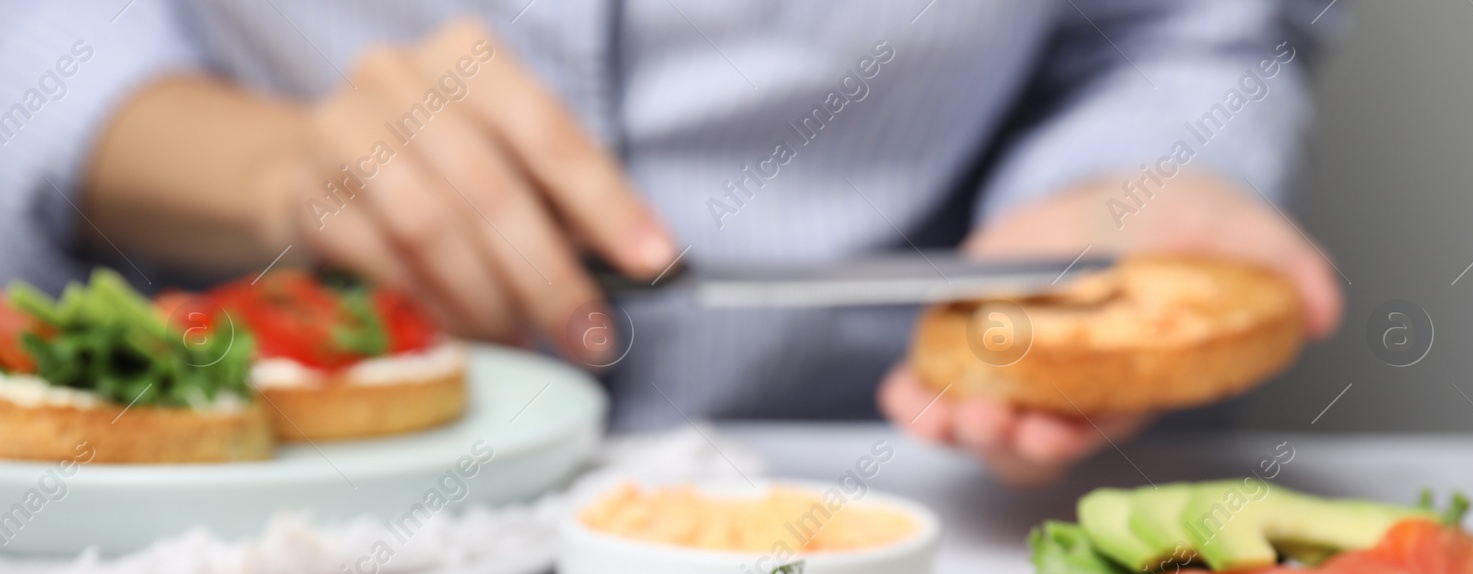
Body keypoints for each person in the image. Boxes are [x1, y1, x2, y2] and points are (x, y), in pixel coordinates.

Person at [1, 1, 1342, 483]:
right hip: (236, 483)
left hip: (885, 473)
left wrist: (1128, 184)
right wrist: (266, 160)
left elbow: (1186, 31)